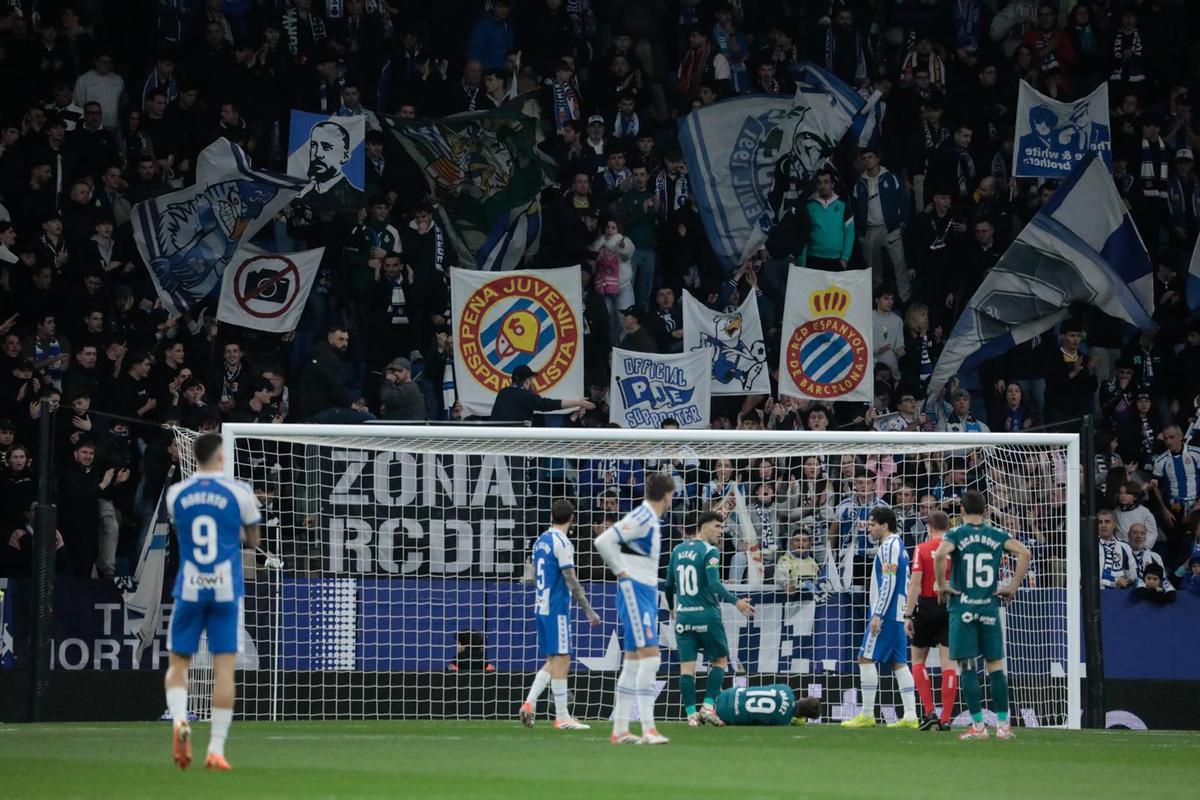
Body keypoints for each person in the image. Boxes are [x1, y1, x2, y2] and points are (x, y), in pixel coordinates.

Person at [163, 432, 261, 771]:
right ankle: (216, 750)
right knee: (224, 671)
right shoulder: (240, 492)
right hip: (225, 588)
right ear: (222, 457)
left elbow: (183, 532)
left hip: (190, 586)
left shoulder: (177, 494)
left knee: (178, 663)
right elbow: (252, 539)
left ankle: (179, 719)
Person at [933, 489, 1032, 741]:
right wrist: (1012, 587)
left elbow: (941, 554)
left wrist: (942, 585)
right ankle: (1003, 726)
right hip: (989, 607)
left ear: (962, 511)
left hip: (963, 608)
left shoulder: (956, 533)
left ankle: (978, 727)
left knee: (967, 667)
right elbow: (1025, 553)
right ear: (986, 511)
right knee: (995, 667)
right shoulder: (997, 534)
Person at [592, 472, 676, 745]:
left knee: (632, 661)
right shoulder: (642, 516)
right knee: (651, 656)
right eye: (672, 495)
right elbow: (603, 541)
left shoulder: (649, 518)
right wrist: (620, 571)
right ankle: (649, 729)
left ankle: (620, 729)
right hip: (636, 591)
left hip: (645, 591)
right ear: (666, 495)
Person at [664, 511, 754, 727]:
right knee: (720, 661)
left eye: (722, 528)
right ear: (703, 526)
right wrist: (736, 601)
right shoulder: (710, 551)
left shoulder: (678, 549)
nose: (720, 532)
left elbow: (668, 585)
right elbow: (714, 584)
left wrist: (671, 608)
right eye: (717, 526)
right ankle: (707, 706)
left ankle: (691, 715)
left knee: (687, 668)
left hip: (684, 616)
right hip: (707, 615)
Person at [519, 499, 600, 730]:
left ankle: (529, 703)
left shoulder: (540, 541)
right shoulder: (562, 542)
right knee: (563, 659)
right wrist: (588, 609)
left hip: (540, 607)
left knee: (553, 660)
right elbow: (571, 578)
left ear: (551, 516)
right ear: (572, 518)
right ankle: (563, 717)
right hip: (556, 610)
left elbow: (533, 575)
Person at [841, 506, 920, 729]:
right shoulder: (899, 546)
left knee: (865, 658)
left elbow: (889, 582)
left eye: (872, 524)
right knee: (899, 663)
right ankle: (911, 715)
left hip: (887, 614)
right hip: (898, 613)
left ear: (885, 526)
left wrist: (878, 614)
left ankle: (867, 714)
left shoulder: (888, 546)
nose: (869, 528)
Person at [902, 510, 956, 731]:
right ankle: (945, 718)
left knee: (917, 660)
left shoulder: (922, 549)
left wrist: (908, 615)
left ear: (930, 528)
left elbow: (915, 583)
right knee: (949, 665)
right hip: (950, 606)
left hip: (926, 606)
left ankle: (928, 711)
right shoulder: (955, 549)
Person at [489, 365, 594, 423]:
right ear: (527, 381)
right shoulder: (526, 396)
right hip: (514, 444)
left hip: (495, 443)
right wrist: (578, 402)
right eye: (532, 379)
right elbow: (548, 404)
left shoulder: (502, 393)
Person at [710, 684, 821, 726]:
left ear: (802, 698)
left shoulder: (786, 689)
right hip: (726, 716)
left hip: (727, 694)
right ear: (803, 717)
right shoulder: (783, 722)